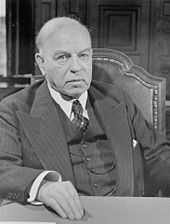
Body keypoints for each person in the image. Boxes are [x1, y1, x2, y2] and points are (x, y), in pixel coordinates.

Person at [0, 17, 170, 220]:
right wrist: (42, 187)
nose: (77, 67)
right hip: (60, 217)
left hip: (125, 214)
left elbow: (158, 155)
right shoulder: (14, 109)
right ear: (41, 63)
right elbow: (3, 168)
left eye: (83, 55)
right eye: (63, 57)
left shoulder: (116, 98)